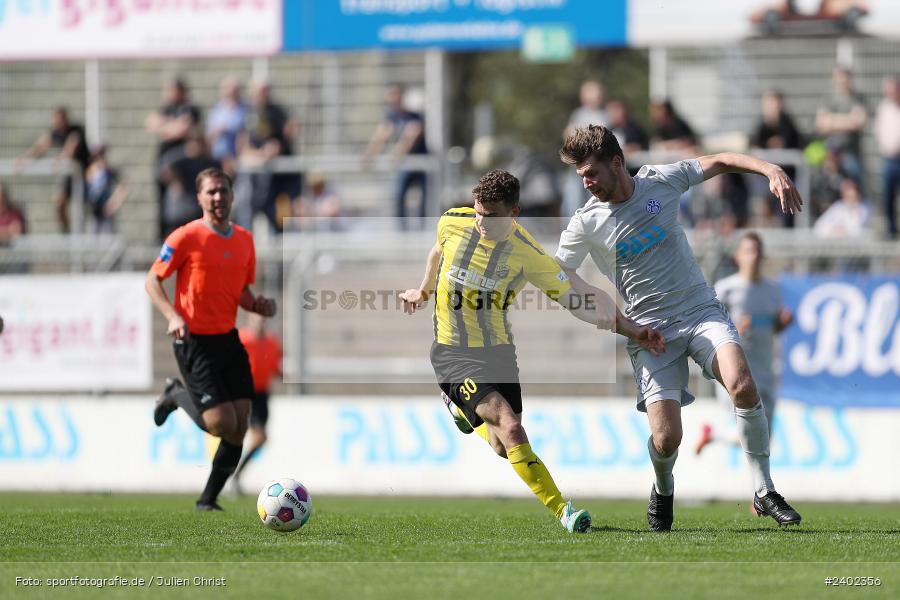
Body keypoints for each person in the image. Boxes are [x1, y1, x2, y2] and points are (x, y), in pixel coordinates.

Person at [555, 125, 803, 530]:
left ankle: (763, 489)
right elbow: (560, 276)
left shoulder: (660, 180)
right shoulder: (586, 223)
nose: (586, 183)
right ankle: (663, 485)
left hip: (699, 310)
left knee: (742, 383)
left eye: (591, 173)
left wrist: (769, 168)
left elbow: (720, 161)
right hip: (651, 334)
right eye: (581, 176)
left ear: (617, 163)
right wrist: (621, 324)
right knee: (667, 439)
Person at [399, 169, 664, 533]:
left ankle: (458, 407)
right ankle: (565, 512)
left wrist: (628, 328)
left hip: (498, 353)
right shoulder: (452, 221)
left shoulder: (528, 254)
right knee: (512, 427)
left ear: (514, 213)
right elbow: (438, 249)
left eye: (491, 216)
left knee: (500, 444)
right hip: (453, 351)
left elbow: (575, 301)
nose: (481, 221)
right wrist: (423, 290)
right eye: (478, 211)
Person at [146, 167, 277, 511]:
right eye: (211, 192)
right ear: (200, 197)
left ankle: (208, 499)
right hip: (194, 340)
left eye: (223, 191)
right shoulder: (185, 237)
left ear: (232, 195)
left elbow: (242, 293)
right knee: (220, 423)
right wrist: (173, 316)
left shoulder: (245, 240)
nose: (218, 197)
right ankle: (175, 393)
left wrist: (258, 304)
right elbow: (152, 281)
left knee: (240, 423)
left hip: (228, 339)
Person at [696, 232, 793, 455]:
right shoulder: (726, 288)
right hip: (736, 370)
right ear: (738, 256)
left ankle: (713, 436)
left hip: (766, 368)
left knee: (764, 437)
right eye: (749, 251)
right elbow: (707, 322)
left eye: (758, 251)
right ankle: (761, 488)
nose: (754, 256)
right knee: (752, 432)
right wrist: (734, 330)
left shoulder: (772, 290)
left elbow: (773, 328)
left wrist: (782, 324)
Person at [235, 79, 300, 233]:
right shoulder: (248, 113)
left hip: (276, 179)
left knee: (278, 218)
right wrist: (258, 155)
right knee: (247, 214)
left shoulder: (277, 112)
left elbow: (281, 142)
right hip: (255, 176)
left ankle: (279, 252)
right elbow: (242, 144)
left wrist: (272, 150)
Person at [231, 312, 283, 495]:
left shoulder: (271, 342)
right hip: (244, 392)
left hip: (261, 395)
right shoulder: (242, 339)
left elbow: (275, 365)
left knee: (260, 439)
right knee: (250, 436)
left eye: (262, 319)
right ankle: (232, 476)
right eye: (257, 319)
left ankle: (235, 476)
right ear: (250, 320)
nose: (260, 322)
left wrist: (282, 374)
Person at [16, 107, 90, 233]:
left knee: (83, 208)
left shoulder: (76, 131)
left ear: (64, 119)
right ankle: (66, 232)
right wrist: (24, 159)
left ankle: (82, 233)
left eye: (57, 119)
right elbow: (40, 147)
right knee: (59, 202)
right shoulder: (55, 133)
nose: (55, 122)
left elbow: (71, 148)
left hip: (85, 174)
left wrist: (62, 159)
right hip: (71, 174)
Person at [363, 85, 428, 227]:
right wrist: (370, 155)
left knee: (425, 201)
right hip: (406, 165)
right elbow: (382, 135)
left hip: (422, 164)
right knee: (399, 197)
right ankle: (402, 231)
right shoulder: (392, 117)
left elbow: (411, 135)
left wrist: (397, 154)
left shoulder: (414, 116)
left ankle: (424, 230)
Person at [145, 78, 201, 242]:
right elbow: (151, 123)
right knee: (162, 204)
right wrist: (171, 126)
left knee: (185, 204)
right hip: (163, 165)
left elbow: (182, 130)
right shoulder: (167, 108)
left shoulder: (190, 109)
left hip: (183, 167)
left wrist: (165, 127)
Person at [161, 130, 221, 237]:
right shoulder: (178, 159)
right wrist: (176, 180)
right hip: (180, 211)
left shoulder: (207, 162)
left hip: (198, 211)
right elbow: (166, 169)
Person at [815, 67, 867, 186]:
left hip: (851, 153)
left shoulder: (858, 99)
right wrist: (848, 120)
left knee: (854, 187)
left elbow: (858, 122)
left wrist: (832, 120)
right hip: (831, 155)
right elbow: (821, 123)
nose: (842, 81)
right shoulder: (828, 98)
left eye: (845, 78)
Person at [206, 75, 249, 177]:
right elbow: (209, 134)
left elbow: (245, 134)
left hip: (235, 157)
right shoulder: (217, 110)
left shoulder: (245, 110)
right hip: (216, 157)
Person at [875, 75, 900, 239]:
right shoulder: (884, 108)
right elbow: (880, 131)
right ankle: (891, 230)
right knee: (888, 195)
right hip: (890, 159)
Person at [84, 145, 128, 234]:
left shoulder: (108, 172)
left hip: (106, 209)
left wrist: (116, 202)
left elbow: (123, 184)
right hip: (93, 210)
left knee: (108, 237)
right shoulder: (89, 172)